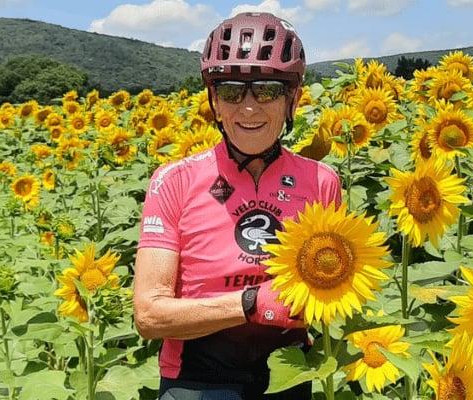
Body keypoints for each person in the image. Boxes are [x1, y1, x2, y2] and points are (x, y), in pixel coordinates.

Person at [133, 12, 342, 400]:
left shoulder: (321, 182)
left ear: (292, 99)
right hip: (198, 379)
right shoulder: (174, 181)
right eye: (231, 91)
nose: (248, 107)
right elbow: (148, 314)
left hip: (292, 375)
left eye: (266, 90)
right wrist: (250, 304)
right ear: (214, 100)